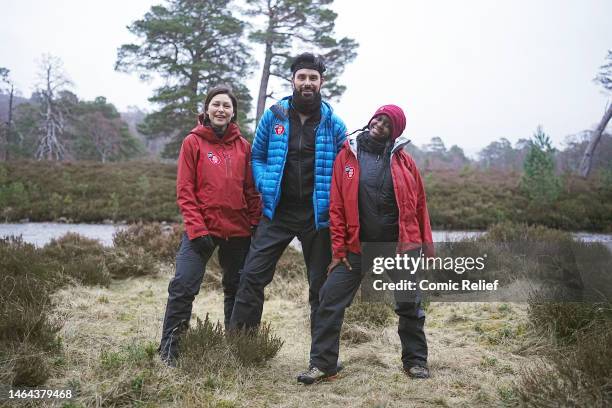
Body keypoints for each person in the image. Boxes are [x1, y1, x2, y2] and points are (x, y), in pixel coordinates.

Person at [297, 105, 434, 384]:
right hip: (356, 249)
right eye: (378, 118)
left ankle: (415, 362)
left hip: (398, 248)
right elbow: (335, 207)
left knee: (410, 304)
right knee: (329, 299)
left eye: (388, 123)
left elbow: (420, 206)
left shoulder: (405, 163)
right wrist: (338, 250)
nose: (380, 124)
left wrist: (426, 247)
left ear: (395, 132)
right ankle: (324, 365)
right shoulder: (347, 157)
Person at [229, 53, 347, 341]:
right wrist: (264, 181)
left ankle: (321, 358)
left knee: (320, 286)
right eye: (302, 77)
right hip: (277, 212)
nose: (307, 82)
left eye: (313, 78)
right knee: (252, 276)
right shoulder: (275, 115)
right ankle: (241, 347)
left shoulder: (334, 123)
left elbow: (347, 166)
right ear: (293, 80)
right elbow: (257, 155)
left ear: (321, 82)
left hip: (316, 216)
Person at [159, 85, 261, 365]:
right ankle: (170, 348)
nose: (221, 110)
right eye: (216, 104)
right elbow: (185, 190)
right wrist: (198, 229)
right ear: (206, 109)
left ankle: (237, 348)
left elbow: (251, 191)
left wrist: (255, 224)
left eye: (226, 106)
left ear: (233, 113)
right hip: (200, 230)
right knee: (183, 285)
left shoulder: (244, 147)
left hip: (238, 231)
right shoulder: (193, 142)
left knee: (237, 289)